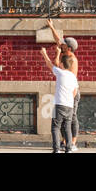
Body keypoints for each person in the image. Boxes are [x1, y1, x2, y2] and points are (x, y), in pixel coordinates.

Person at [40, 18, 79, 153]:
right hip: (68, 95)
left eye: (63, 45)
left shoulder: (71, 59)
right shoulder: (65, 53)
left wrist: (48, 54)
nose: (60, 44)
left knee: (68, 120)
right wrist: (51, 26)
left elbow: (54, 66)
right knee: (66, 123)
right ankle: (66, 145)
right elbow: (58, 39)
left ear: (68, 48)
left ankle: (72, 143)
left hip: (69, 94)